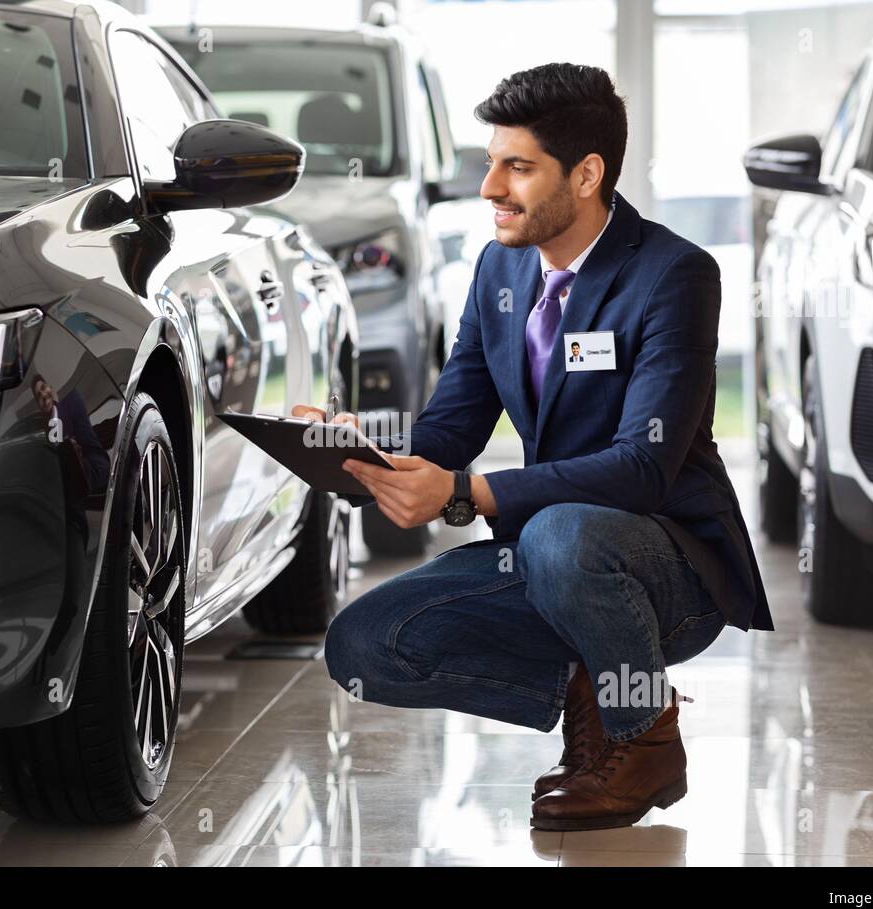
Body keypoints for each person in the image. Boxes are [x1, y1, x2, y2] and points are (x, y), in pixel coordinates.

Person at [293, 63, 773, 832]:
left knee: (562, 533)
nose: (489, 187)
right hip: (552, 561)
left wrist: (468, 493)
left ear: (586, 175)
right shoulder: (500, 269)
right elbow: (450, 428)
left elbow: (643, 468)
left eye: (517, 167)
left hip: (666, 567)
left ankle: (642, 737)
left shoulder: (672, 275)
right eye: (491, 162)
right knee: (363, 644)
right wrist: (356, 437)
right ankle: (600, 687)